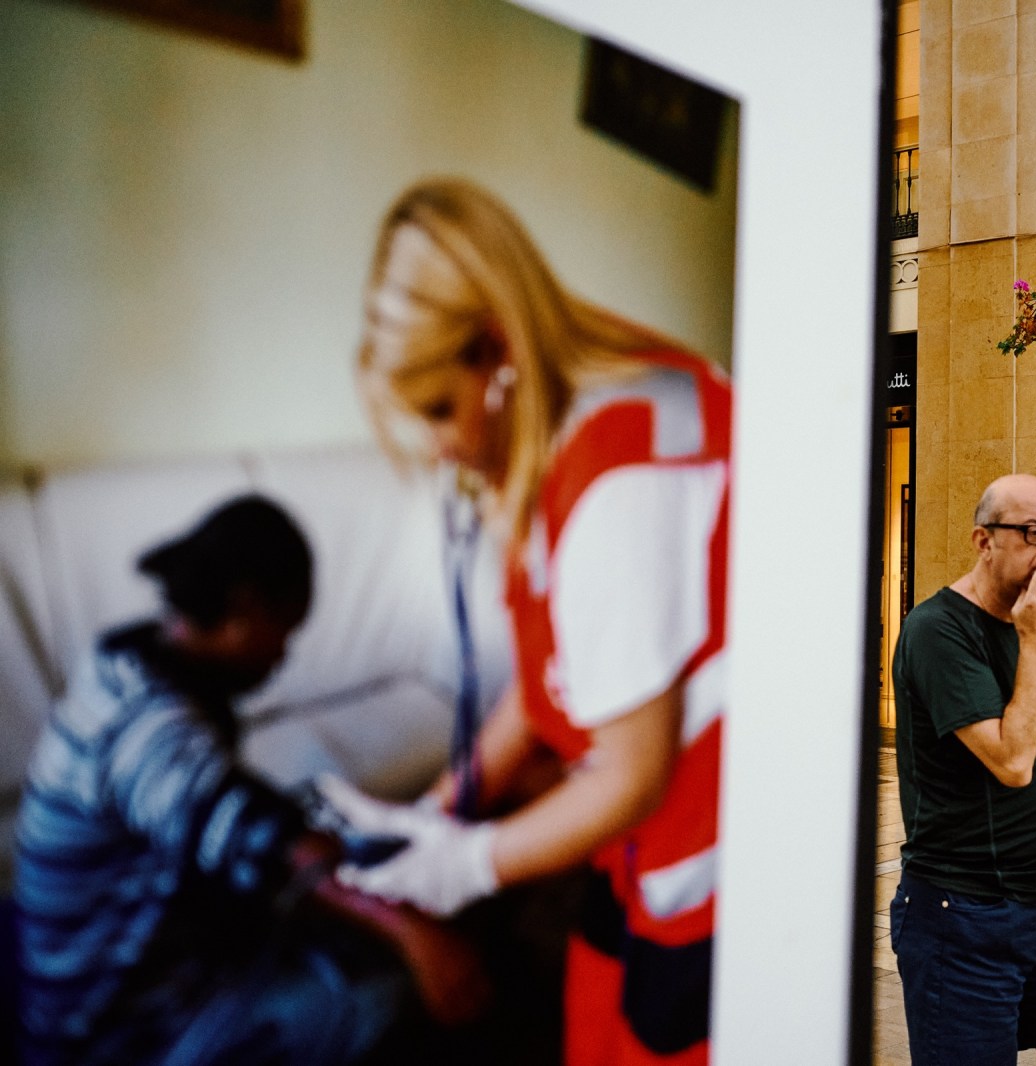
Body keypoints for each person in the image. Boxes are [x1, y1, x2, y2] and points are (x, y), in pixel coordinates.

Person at [324, 177, 729, 1066]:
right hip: (632, 863)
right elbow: (551, 671)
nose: (440, 446)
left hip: (698, 873)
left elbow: (632, 775)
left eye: (439, 410)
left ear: (495, 351)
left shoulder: (617, 484)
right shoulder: (560, 420)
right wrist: (442, 808)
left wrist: (466, 865)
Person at [12, 495, 485, 1066]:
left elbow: (223, 811)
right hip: (109, 1028)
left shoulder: (133, 656)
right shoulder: (148, 732)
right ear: (244, 608)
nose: (285, 655)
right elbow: (262, 838)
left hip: (109, 953)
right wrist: (415, 936)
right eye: (284, 630)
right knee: (379, 995)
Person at [889, 473, 1036, 1066]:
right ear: (982, 540)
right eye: (1034, 532)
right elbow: (1012, 762)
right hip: (964, 917)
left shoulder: (1023, 620)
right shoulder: (939, 629)